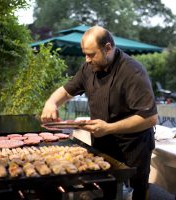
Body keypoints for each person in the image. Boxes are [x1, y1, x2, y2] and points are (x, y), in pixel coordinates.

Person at [41, 26, 158, 200]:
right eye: (85, 54)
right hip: (104, 141)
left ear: (108, 48)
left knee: (138, 190)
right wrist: (51, 103)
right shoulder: (88, 67)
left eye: (91, 54)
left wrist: (109, 128)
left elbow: (149, 118)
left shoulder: (133, 71)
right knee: (106, 189)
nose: (87, 59)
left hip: (134, 145)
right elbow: (66, 91)